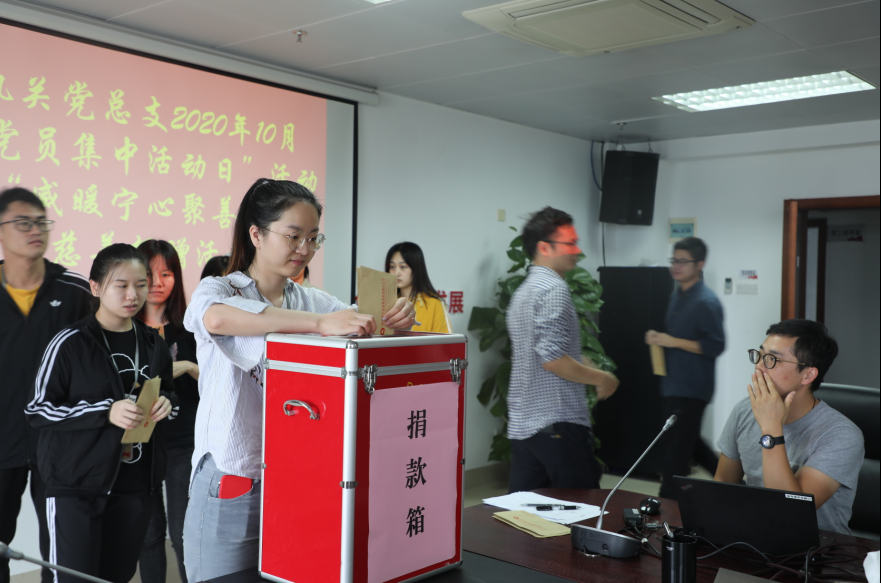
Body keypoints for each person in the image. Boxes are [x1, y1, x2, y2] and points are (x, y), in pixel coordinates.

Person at [182, 178, 416, 581]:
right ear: (256, 234)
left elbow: (360, 326)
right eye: (293, 236)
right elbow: (217, 319)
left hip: (295, 480)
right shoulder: (220, 289)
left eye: (313, 238)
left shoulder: (309, 299)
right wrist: (320, 325)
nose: (304, 249)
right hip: (234, 478)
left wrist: (395, 318)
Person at [25, 244, 174, 582]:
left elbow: (167, 390)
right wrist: (106, 411)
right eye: (121, 285)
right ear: (95, 287)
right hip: (77, 486)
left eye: (141, 284)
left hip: (134, 486)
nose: (133, 295)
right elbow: (38, 409)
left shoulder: (154, 343)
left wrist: (167, 402)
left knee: (116, 576)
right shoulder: (70, 342)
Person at [0, 187, 92, 583]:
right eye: (23, 223)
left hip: (58, 444)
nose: (35, 230)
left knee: (60, 552)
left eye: (41, 222)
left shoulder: (74, 291)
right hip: (1, 442)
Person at [506, 207, 619, 493]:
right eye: (569, 243)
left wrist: (584, 362)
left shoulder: (523, 292)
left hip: (525, 424)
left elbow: (545, 350)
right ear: (545, 248)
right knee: (583, 507)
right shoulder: (554, 289)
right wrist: (602, 378)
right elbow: (553, 360)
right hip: (557, 421)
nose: (577, 251)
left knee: (524, 511)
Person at [715, 319, 864, 535]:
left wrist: (771, 429)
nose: (759, 366)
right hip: (753, 536)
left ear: (808, 375)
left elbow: (790, 512)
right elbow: (722, 484)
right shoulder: (744, 410)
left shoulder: (842, 435)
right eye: (759, 355)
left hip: (816, 548)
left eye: (772, 359)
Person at [136, 240, 199, 583]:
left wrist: (188, 366)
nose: (157, 282)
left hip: (183, 442)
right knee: (148, 536)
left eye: (167, 273)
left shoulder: (191, 327)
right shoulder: (123, 329)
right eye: (149, 273)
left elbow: (215, 379)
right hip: (138, 443)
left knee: (182, 533)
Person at [645, 237, 724, 500]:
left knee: (675, 453)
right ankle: (738, 486)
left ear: (699, 264)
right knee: (689, 444)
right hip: (673, 384)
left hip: (692, 388)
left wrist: (671, 341)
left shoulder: (706, 301)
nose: (676, 266)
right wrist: (659, 339)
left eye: (683, 261)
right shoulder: (676, 296)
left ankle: (665, 504)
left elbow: (715, 345)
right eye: (674, 260)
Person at [386, 242, 451, 333]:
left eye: (403, 266)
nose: (396, 273)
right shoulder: (386, 302)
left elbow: (445, 340)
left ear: (416, 268)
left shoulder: (435, 303)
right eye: (392, 266)